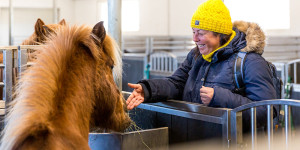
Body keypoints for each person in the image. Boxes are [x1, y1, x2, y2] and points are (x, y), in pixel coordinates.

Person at [126, 0, 276, 131]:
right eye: (193, 32)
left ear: (220, 35)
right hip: (195, 136)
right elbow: (176, 83)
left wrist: (219, 97)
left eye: (201, 33)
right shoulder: (196, 55)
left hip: (231, 142)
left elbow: (266, 111)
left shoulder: (250, 62)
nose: (195, 38)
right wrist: (148, 89)